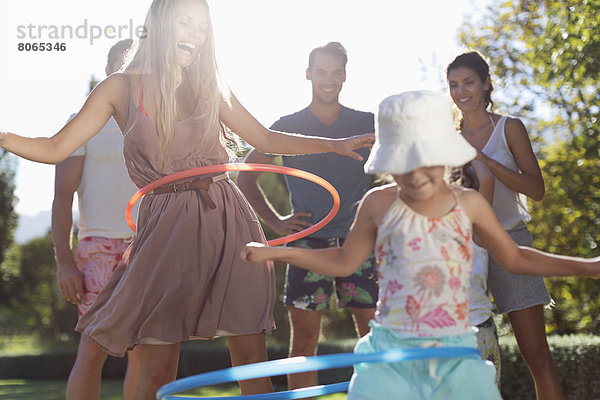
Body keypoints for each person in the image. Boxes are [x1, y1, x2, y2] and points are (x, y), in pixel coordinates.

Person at [0, 0, 374, 398]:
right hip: (164, 226)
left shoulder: (208, 83)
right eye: (185, 24)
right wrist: (4, 137)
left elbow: (263, 139)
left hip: (226, 218)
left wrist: (333, 144)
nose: (195, 35)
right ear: (160, 24)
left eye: (201, 27)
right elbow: (56, 147)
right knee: (159, 366)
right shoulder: (119, 87)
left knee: (250, 354)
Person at [241, 90, 600, 400]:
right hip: (388, 350)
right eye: (401, 164)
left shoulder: (469, 205)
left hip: (455, 352)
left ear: (445, 155)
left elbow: (515, 257)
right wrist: (278, 251)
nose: (415, 176)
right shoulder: (378, 204)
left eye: (426, 163)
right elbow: (344, 261)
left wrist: (587, 266)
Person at [236, 41, 378, 394]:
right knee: (303, 345)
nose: (328, 80)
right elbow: (245, 175)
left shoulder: (367, 124)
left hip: (360, 244)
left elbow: (402, 170)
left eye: (335, 72)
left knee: (375, 341)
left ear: (344, 76)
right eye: (321, 72)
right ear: (308, 74)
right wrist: (278, 223)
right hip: (305, 246)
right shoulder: (288, 126)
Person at [446, 51, 561, 399]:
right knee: (459, 353)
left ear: (485, 83)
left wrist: (483, 161)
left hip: (511, 242)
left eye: (468, 82)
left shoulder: (509, 127)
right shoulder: (447, 137)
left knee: (537, 356)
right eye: (453, 84)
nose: (460, 91)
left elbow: (536, 190)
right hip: (465, 251)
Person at [51, 38, 142, 400]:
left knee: (145, 351)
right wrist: (64, 263)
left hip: (148, 245)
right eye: (121, 69)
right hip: (98, 249)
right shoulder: (81, 123)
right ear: (107, 74)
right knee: (92, 350)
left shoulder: (154, 126)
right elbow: (61, 198)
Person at [460, 162, 501, 387]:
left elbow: (487, 180)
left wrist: (468, 149)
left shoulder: (476, 225)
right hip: (456, 334)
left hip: (478, 331)